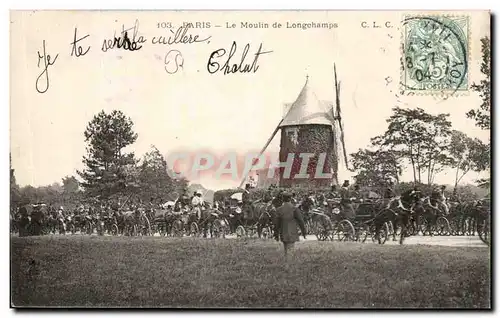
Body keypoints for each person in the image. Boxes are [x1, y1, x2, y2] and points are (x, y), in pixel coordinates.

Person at [275, 192, 307, 259]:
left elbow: (277, 224)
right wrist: (304, 232)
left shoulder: (279, 209)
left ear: (282, 199)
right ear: (290, 198)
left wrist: (276, 234)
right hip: (292, 232)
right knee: (290, 251)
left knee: (286, 250)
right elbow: (301, 221)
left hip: (283, 233)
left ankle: (287, 264)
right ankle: (289, 265)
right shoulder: (294, 209)